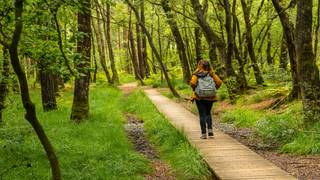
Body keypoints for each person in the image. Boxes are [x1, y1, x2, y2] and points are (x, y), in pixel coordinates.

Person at [190, 60, 222, 139]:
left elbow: (193, 83)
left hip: (199, 97)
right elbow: (219, 82)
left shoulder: (196, 74)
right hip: (210, 97)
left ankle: (204, 134)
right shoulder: (211, 74)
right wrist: (213, 89)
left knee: (202, 114)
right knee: (208, 113)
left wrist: (195, 89)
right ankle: (210, 131)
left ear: (199, 66)